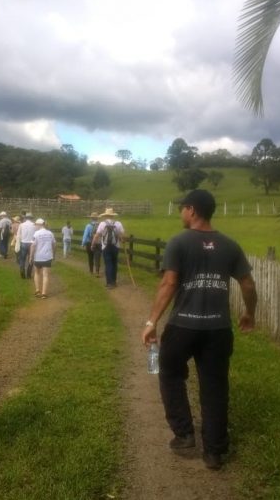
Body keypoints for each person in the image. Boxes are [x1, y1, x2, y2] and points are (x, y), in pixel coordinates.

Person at [140, 189, 257, 471]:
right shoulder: (230, 245)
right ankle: (214, 452)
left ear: (192, 210)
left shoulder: (179, 242)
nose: (181, 213)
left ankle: (184, 434)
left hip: (183, 326)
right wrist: (249, 313)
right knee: (215, 386)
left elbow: (168, 283)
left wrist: (151, 321)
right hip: (218, 328)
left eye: (182, 208)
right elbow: (248, 284)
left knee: (168, 372)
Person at [93, 208, 124, 288]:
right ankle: (114, 282)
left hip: (106, 247)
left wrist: (93, 244)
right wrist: (122, 240)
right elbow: (121, 235)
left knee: (108, 264)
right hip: (115, 246)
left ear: (106, 215)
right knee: (114, 264)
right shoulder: (118, 224)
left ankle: (109, 283)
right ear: (113, 215)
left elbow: (97, 235)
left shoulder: (102, 224)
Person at [30, 217, 55, 298]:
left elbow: (33, 246)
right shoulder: (50, 233)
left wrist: (31, 256)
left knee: (37, 273)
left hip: (38, 257)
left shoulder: (36, 234)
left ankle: (37, 290)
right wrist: (53, 254)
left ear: (39, 225)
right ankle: (44, 293)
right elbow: (54, 245)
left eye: (36, 225)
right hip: (47, 257)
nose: (35, 226)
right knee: (45, 275)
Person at [17, 213, 36, 279]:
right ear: (31, 218)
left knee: (22, 259)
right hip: (31, 244)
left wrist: (18, 244)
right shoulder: (34, 225)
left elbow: (18, 235)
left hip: (23, 243)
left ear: (26, 218)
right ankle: (28, 274)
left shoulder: (21, 225)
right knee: (30, 259)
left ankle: (22, 271)